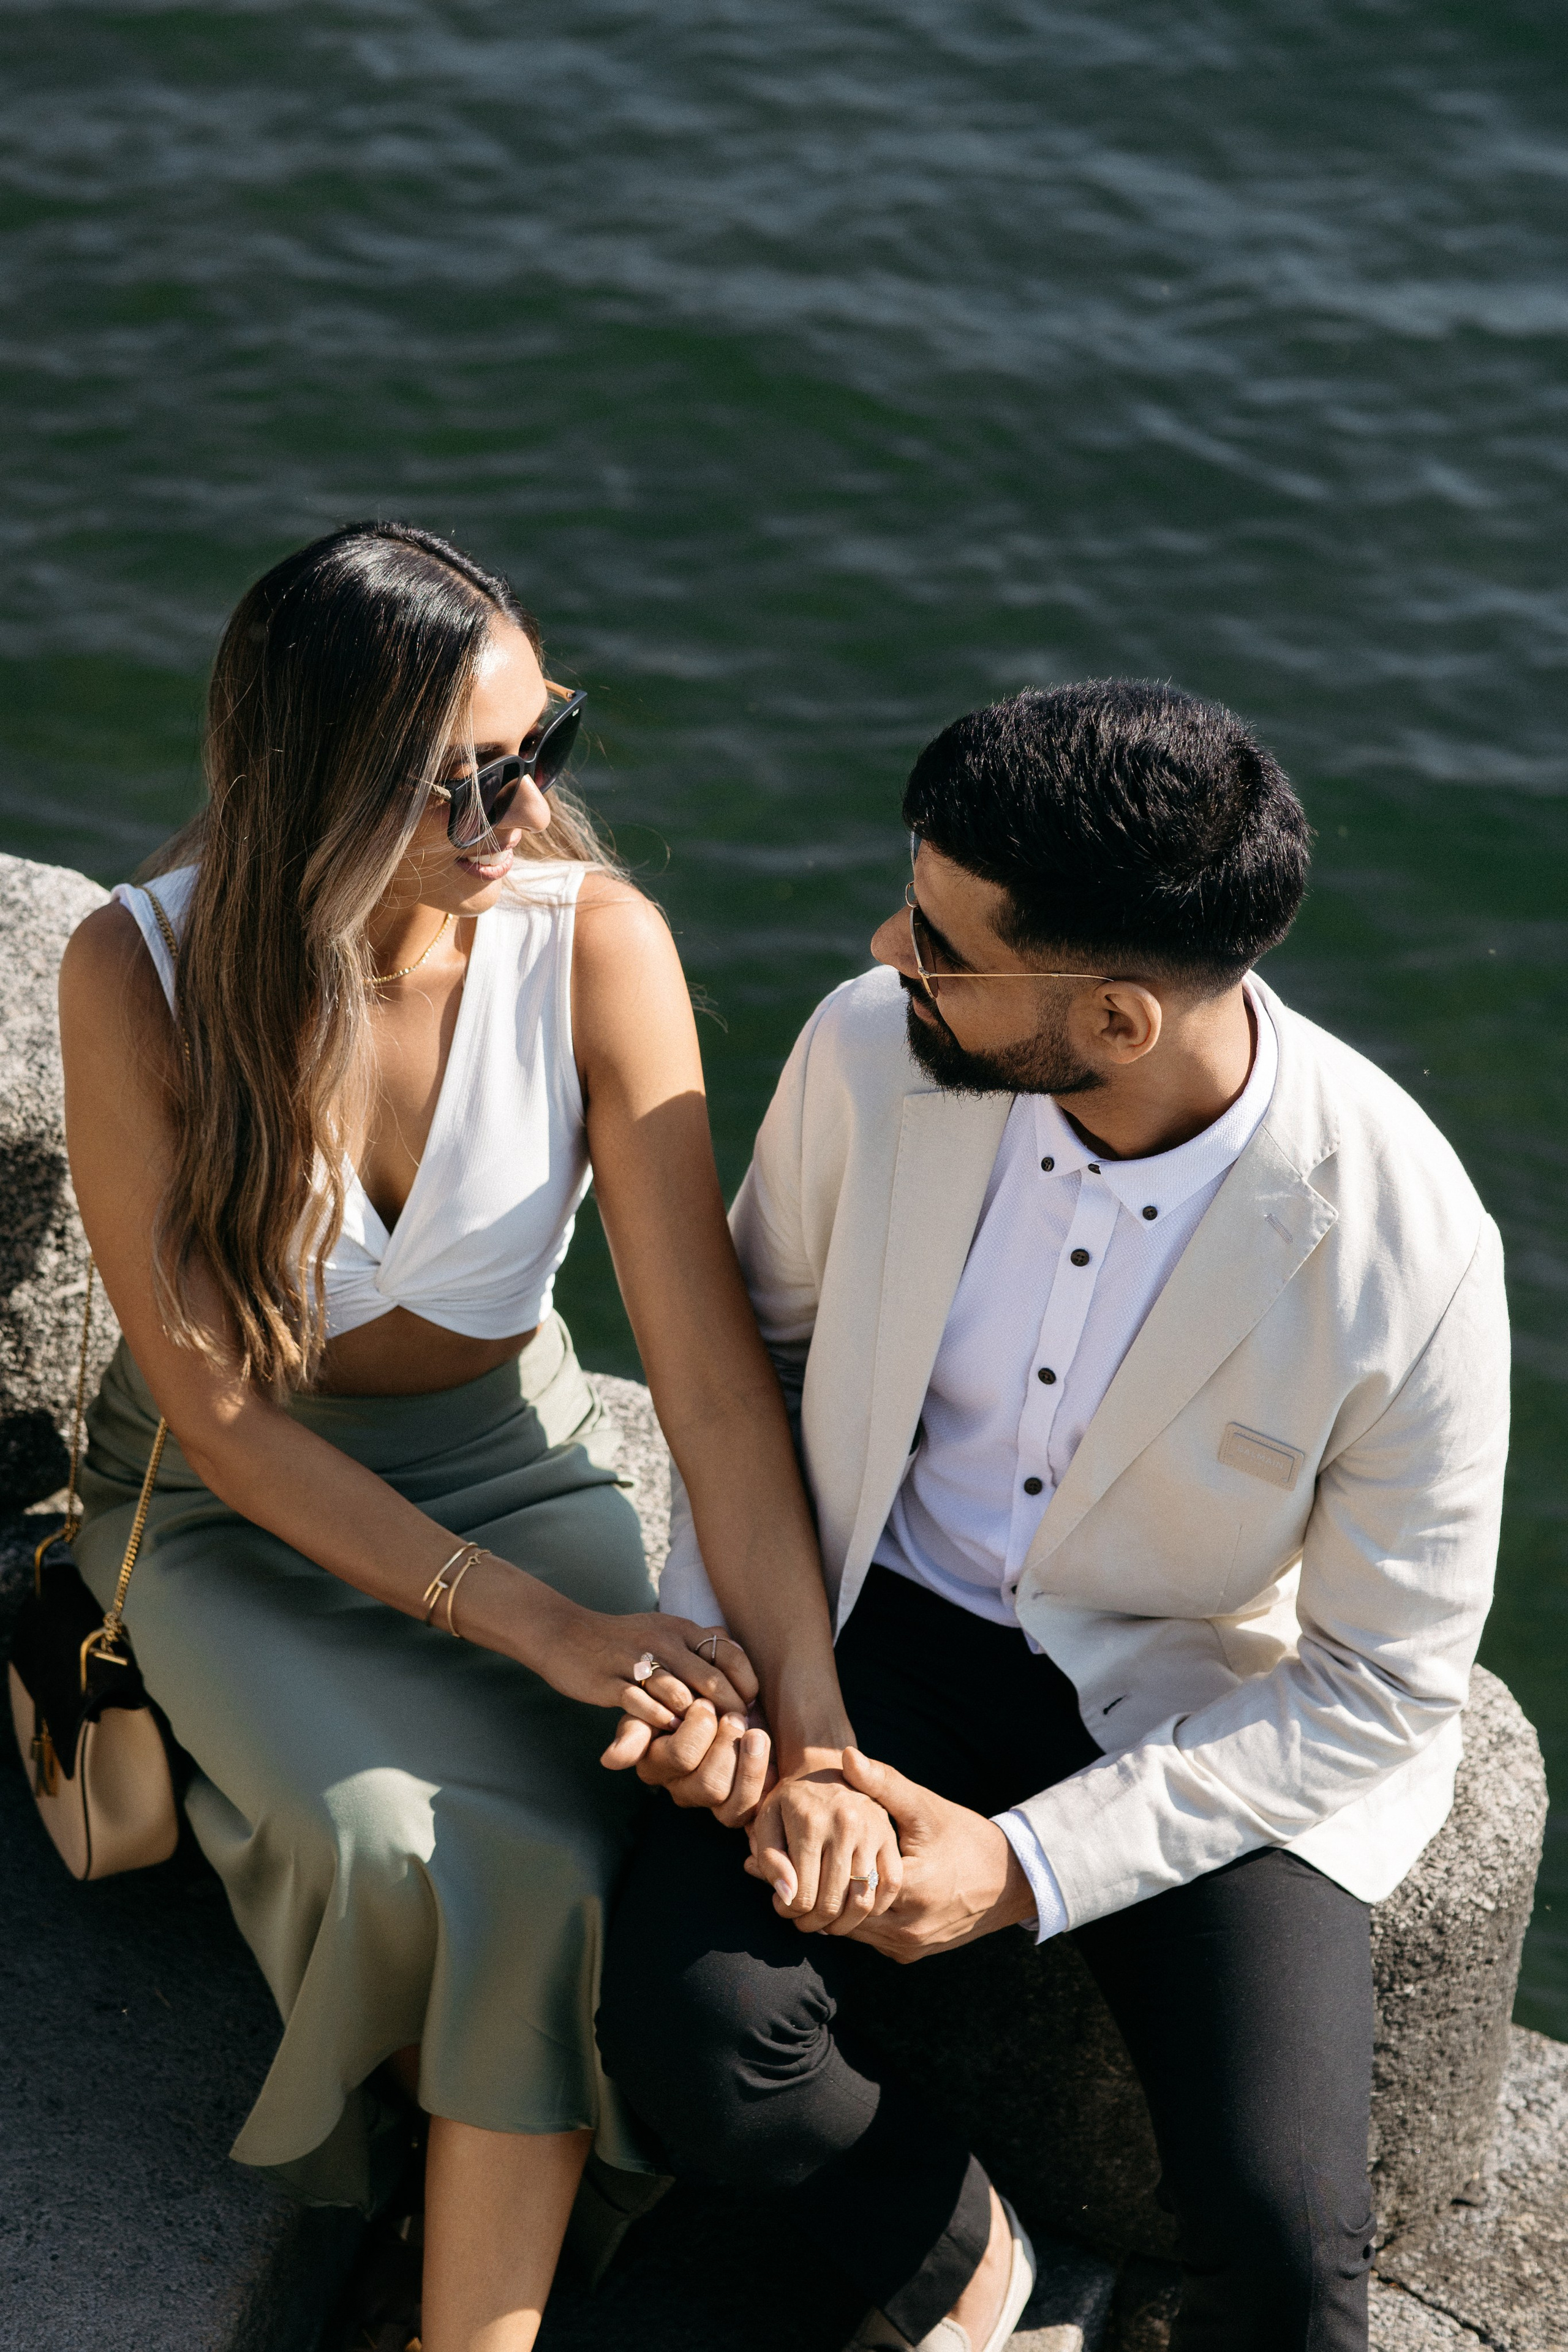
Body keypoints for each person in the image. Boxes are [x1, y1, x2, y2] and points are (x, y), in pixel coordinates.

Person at [597, 682, 1511, 2352]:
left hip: (1178, 1699)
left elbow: (1385, 1681)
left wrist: (1015, 1871)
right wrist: (749, 1680)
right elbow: (752, 1368)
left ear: (1115, 1023)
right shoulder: (869, 1053)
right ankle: (975, 2281)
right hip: (874, 1613)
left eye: (947, 945)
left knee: (1294, 2248)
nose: (888, 950)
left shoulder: (1407, 1242)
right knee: (702, 2042)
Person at [58, 520, 859, 2352]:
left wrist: (814, 1730)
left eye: (541, 750)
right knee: (394, 1840)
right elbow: (226, 1421)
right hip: (225, 1511)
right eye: (457, 783)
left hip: (511, 1458)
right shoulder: (140, 972)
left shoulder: (600, 950)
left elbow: (716, 1387)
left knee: (609, 1827)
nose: (516, 816)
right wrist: (553, 1632)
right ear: (307, 780)